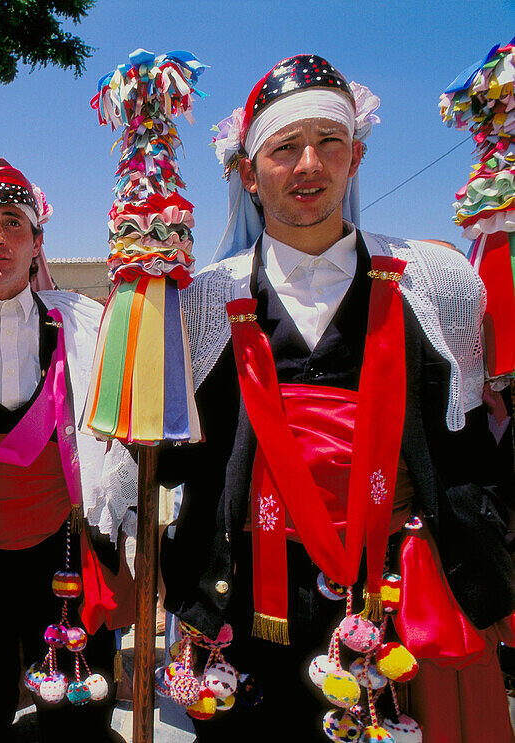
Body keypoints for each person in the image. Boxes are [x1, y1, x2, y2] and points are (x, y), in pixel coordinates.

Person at [160, 54, 515, 741]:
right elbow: (182, 460)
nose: (308, 165)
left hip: (392, 597)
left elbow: (473, 444)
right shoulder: (201, 300)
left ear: (355, 157)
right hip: (249, 600)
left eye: (329, 143)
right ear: (248, 173)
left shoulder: (434, 281)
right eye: (285, 148)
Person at [0, 159, 138, 742]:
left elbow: (115, 442)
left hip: (59, 550)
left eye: (14, 223)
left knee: (76, 715)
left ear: (39, 241)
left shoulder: (81, 324)